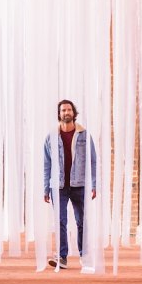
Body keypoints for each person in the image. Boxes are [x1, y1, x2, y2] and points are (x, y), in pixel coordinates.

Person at [42, 99, 96, 272]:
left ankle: (84, 255)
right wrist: (45, 187)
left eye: (69, 110)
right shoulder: (50, 137)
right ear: (59, 114)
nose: (66, 113)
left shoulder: (84, 135)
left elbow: (92, 161)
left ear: (74, 113)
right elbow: (46, 164)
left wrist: (93, 184)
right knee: (60, 221)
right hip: (58, 186)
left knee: (82, 222)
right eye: (63, 110)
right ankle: (62, 256)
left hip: (79, 184)